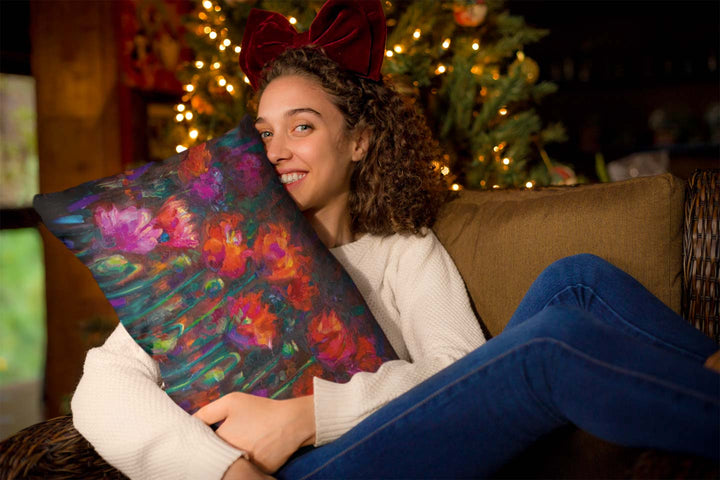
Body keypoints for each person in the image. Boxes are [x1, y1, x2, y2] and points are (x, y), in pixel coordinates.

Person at [71, 1, 720, 479]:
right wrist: (222, 471)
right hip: (295, 473)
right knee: (549, 348)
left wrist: (306, 415)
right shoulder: (224, 256)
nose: (277, 151)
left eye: (302, 126)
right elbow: (100, 389)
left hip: (371, 445)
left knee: (576, 280)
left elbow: (454, 371)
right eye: (264, 133)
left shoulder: (403, 249)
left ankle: (704, 373)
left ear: (359, 140)